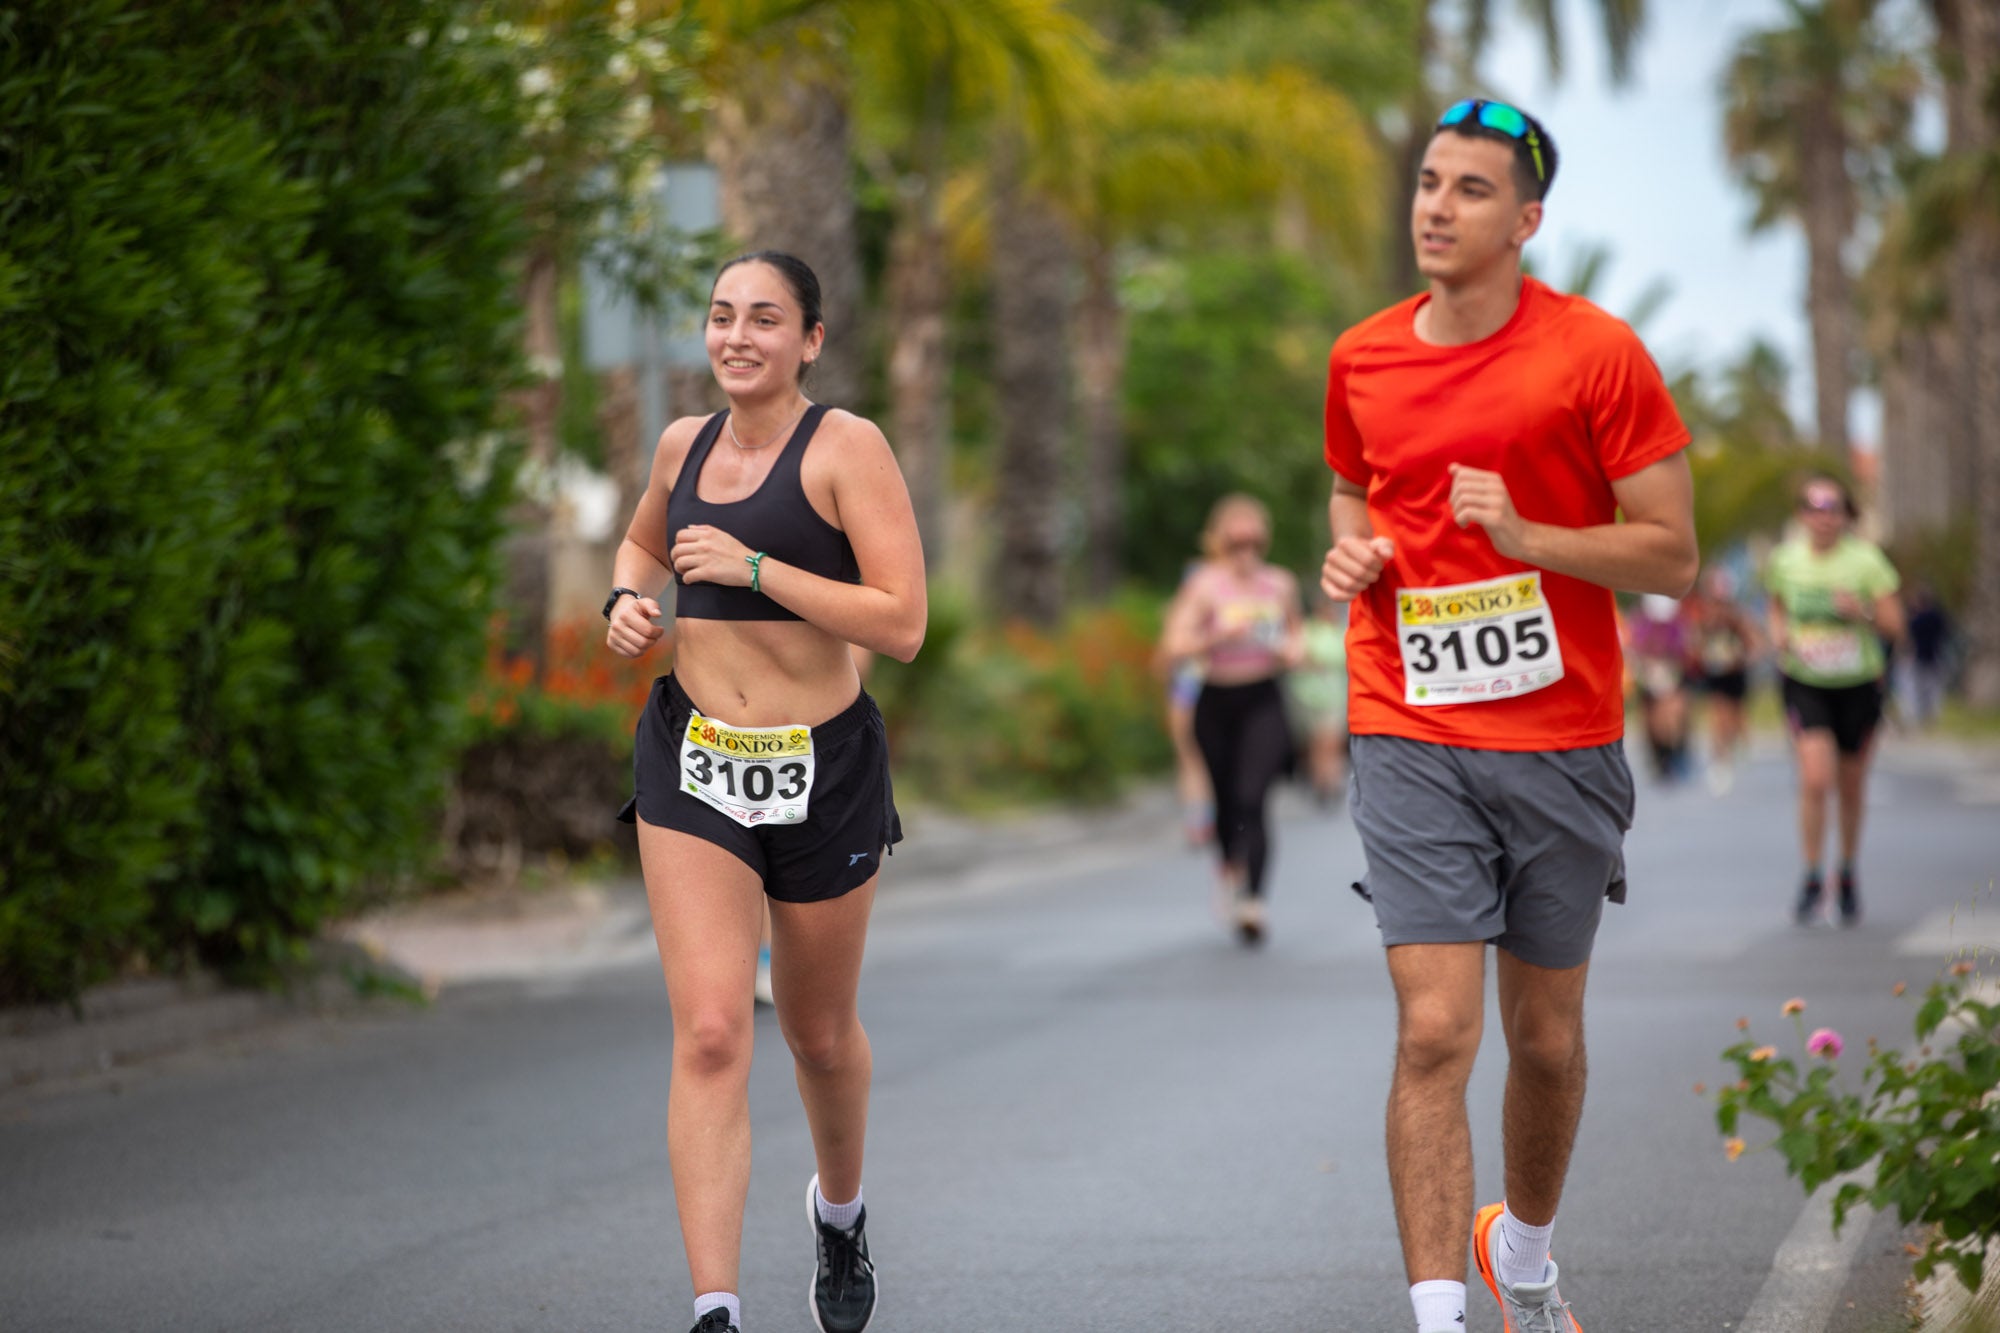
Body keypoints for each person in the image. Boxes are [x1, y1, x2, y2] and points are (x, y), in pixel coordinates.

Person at [1320, 98, 1696, 1333]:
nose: (1433, 205)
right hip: (1406, 722)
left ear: (1525, 220)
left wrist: (1527, 536)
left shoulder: (1595, 355)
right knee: (1434, 1032)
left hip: (1559, 740)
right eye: (1427, 181)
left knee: (1542, 1038)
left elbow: (1672, 557)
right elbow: (1347, 486)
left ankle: (1521, 1257)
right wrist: (1351, 559)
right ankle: (1436, 1317)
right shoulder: (1361, 355)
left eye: (1468, 189)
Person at [604, 250, 926, 1333]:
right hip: (693, 756)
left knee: (817, 1032)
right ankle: (715, 1308)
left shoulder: (846, 449)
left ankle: (840, 1213)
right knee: (706, 1030)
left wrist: (754, 570)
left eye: (765, 319)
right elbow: (642, 545)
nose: (737, 336)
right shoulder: (679, 444)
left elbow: (902, 621)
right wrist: (625, 602)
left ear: (810, 341)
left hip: (823, 765)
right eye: (721, 316)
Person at [1159, 494, 1304, 945]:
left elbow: (1297, 640)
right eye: (1236, 542)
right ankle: (1229, 868)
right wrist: (1217, 634)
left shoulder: (1279, 584)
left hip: (1263, 695)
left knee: (1252, 795)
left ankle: (1253, 900)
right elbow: (1173, 644)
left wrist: (1287, 650)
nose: (1246, 551)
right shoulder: (1204, 585)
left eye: (1254, 541)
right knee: (1225, 798)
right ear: (1220, 542)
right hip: (1216, 698)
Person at [1765, 475, 1902, 927]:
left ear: (1845, 515)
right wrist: (1780, 637)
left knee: (1850, 783)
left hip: (1858, 684)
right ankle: (1810, 874)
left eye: (1833, 508)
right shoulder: (1785, 561)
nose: (1823, 518)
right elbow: (1777, 605)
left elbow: (1894, 627)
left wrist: (1859, 612)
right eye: (1814, 508)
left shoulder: (1866, 562)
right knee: (1815, 778)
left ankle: (1845, 870)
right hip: (1806, 681)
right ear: (1802, 515)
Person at [1687, 566, 1760, 794]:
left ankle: (1739, 745)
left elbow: (1754, 643)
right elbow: (1695, 644)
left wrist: (1741, 657)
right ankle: (1720, 762)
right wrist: (1702, 655)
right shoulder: (1704, 619)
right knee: (1718, 715)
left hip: (1736, 673)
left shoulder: (1737, 618)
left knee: (1736, 715)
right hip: (1715, 673)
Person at [1287, 591, 1351, 806]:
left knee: (1331, 741)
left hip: (1334, 695)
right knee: (1317, 742)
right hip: (1311, 695)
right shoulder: (1309, 631)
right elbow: (1297, 658)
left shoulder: (1341, 632)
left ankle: (1331, 780)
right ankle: (1321, 780)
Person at [1626, 593, 1696, 783]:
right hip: (1649, 679)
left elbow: (1684, 653)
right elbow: (1635, 649)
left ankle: (1678, 751)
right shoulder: (1642, 624)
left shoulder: (1676, 624)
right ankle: (1659, 756)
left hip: (1673, 678)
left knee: (1676, 714)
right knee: (1652, 721)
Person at [1898, 582, 1951, 729]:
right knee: (1933, 689)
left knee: (1913, 689)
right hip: (1935, 656)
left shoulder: (1916, 620)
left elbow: (1907, 637)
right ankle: (1932, 716)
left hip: (1917, 656)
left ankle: (1914, 717)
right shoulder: (1939, 618)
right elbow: (1946, 634)